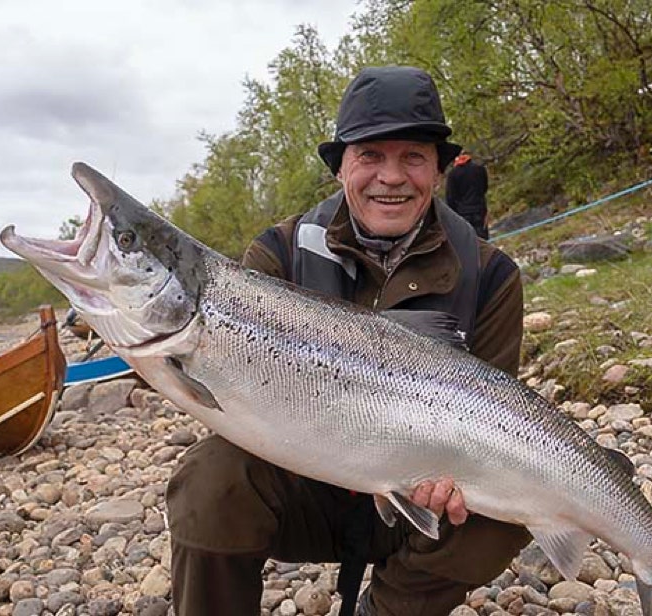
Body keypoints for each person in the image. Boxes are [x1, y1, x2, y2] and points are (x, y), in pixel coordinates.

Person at [166, 65, 529, 616]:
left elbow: (500, 418)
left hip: (424, 503)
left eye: (412, 156)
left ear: (437, 169)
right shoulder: (277, 255)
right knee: (210, 477)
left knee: (515, 505)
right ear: (340, 168)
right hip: (308, 486)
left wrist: (445, 478)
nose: (392, 176)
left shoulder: (491, 275)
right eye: (370, 156)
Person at [445, 152, 490, 239]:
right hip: (480, 210)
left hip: (462, 213)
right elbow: (484, 188)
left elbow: (450, 197)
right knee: (482, 240)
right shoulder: (480, 169)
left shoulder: (453, 174)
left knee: (467, 241)